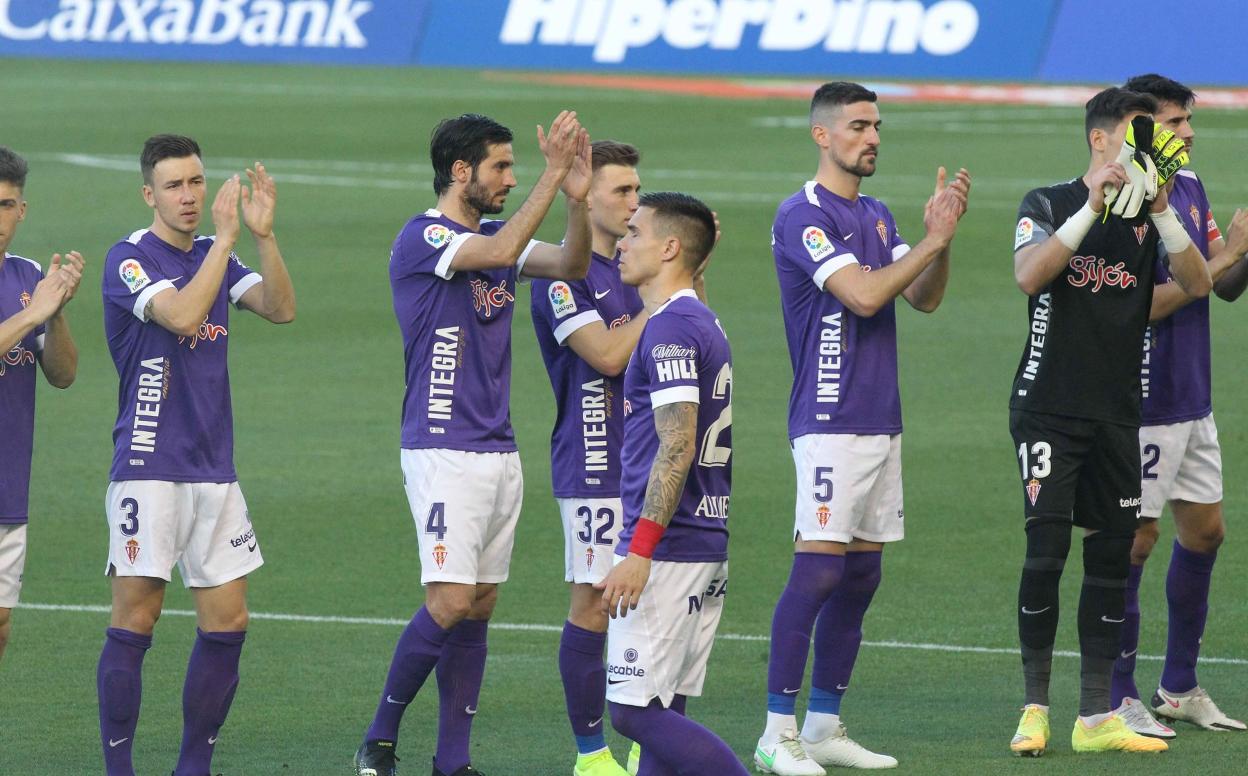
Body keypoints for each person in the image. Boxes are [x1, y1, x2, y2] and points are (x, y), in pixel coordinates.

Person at [353, 111, 593, 776]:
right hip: (442, 447)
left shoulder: (494, 235)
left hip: (497, 448)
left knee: (480, 606)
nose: (510, 181)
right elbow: (495, 253)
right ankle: (378, 738)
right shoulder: (424, 236)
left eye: (515, 168)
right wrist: (552, 175)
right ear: (461, 173)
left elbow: (571, 262)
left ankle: (452, 763)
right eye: (501, 168)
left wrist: (575, 200)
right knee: (451, 600)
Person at [755, 81, 969, 775]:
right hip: (829, 419)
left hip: (880, 419)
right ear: (822, 135)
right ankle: (775, 731)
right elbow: (866, 294)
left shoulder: (876, 214)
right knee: (817, 573)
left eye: (876, 125)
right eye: (857, 126)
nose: (871, 136)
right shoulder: (802, 215)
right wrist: (929, 240)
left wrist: (944, 242)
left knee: (862, 575)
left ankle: (822, 725)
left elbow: (925, 298)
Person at [1007, 87, 1212, 757]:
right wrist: (1091, 208)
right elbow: (1030, 276)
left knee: (1108, 561)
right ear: (1101, 140)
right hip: (1046, 410)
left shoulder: (1147, 218)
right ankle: (1034, 709)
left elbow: (1198, 281)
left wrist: (1162, 211)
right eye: (1138, 132)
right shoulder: (1047, 203)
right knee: (1047, 554)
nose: (1150, 144)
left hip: (1119, 415)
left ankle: (1095, 719)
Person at [98, 134, 296, 776]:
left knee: (228, 621)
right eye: (175, 185)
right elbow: (182, 315)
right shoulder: (129, 259)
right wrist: (229, 245)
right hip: (149, 467)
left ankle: (193, 768)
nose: (189, 196)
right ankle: (119, 769)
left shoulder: (218, 253)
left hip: (215, 468)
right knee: (138, 615)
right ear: (148, 193)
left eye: (196, 182)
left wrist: (261, 236)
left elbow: (281, 309)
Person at [1108, 73, 1248, 736]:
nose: (1189, 132)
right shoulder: (1123, 201)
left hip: (1193, 397)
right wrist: (1228, 259)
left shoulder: (1186, 186)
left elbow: (1220, 283)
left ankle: (1179, 684)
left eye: (1190, 120)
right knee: (1136, 541)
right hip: (1143, 400)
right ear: (1140, 126)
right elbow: (1147, 303)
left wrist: (1243, 252)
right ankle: (1117, 693)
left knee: (1206, 531)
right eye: (1175, 121)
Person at [597, 190, 745, 776]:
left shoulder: (668, 332)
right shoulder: (699, 319)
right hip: (703, 539)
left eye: (634, 232)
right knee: (665, 705)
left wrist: (639, 551)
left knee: (633, 714)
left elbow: (678, 443)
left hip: (670, 546)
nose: (622, 242)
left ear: (670, 247)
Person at [530, 140, 647, 776]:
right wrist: (667, 296)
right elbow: (605, 355)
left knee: (657, 601)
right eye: (622, 191)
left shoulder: (640, 272)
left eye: (637, 190)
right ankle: (592, 753)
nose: (635, 203)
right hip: (594, 461)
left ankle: (646, 740)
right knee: (595, 606)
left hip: (654, 460)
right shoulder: (561, 280)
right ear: (587, 196)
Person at [0, 145, 83, 663]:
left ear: (22, 210)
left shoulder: (29, 277)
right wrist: (35, 315)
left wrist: (56, 315)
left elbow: (63, 373)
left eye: (6, 205)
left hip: (8, 483)